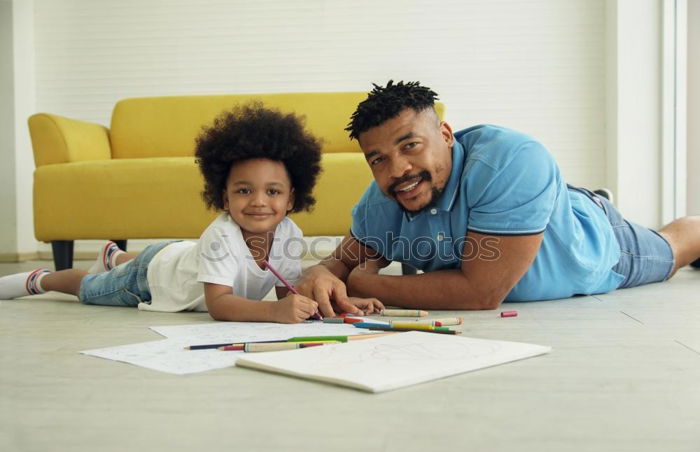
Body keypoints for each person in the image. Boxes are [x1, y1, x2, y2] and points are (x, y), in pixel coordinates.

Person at [295, 80, 700, 317]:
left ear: (446, 136)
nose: (397, 169)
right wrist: (321, 273)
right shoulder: (382, 199)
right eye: (378, 159)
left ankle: (599, 206)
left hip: (593, 242)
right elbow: (344, 262)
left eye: (411, 145)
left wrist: (368, 282)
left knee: (674, 248)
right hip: (527, 204)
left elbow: (481, 293)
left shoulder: (513, 161)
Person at [0, 103, 383, 322]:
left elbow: (286, 290)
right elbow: (219, 305)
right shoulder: (221, 235)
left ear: (291, 198)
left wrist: (339, 305)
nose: (259, 202)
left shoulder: (290, 235)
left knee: (169, 256)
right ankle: (45, 279)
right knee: (89, 288)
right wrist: (274, 313)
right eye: (243, 190)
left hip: (179, 253)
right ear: (224, 196)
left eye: (273, 191)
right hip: (150, 279)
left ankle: (115, 255)